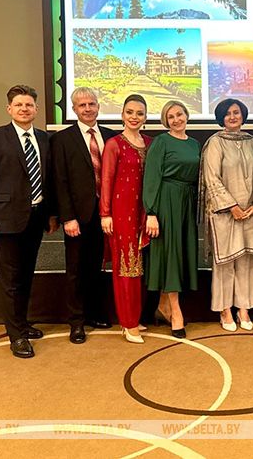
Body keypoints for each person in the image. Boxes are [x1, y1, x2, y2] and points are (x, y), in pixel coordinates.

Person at [0, 85, 58, 358]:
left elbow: (49, 180)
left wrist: (51, 215)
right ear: (9, 108)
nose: (24, 109)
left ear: (36, 109)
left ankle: (22, 323)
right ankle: (17, 336)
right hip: (6, 220)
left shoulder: (44, 139)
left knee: (25, 276)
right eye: (19, 105)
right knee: (10, 279)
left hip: (35, 219)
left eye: (29, 105)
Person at [51, 87, 116, 344]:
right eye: (82, 105)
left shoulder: (111, 136)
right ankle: (76, 322)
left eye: (91, 104)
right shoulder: (62, 139)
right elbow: (60, 180)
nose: (87, 108)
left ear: (98, 106)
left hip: (106, 215)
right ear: (74, 109)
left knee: (97, 268)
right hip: (78, 217)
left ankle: (95, 313)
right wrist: (67, 217)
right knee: (76, 270)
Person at [201, 98, 253, 332]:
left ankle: (244, 308)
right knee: (225, 263)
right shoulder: (215, 143)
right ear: (221, 118)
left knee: (247, 261)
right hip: (224, 214)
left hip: (250, 212)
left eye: (236, 112)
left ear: (243, 115)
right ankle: (225, 309)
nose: (233, 117)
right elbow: (211, 178)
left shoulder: (252, 142)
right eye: (227, 114)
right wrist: (231, 206)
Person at [143, 100, 200, 338]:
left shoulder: (195, 144)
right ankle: (176, 312)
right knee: (171, 256)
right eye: (171, 117)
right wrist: (151, 212)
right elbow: (151, 177)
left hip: (187, 203)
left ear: (186, 115)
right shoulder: (161, 142)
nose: (176, 119)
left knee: (181, 254)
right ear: (165, 121)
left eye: (179, 114)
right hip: (166, 202)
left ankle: (163, 305)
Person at [100, 95, 152, 344]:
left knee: (140, 269)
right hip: (122, 214)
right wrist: (105, 214)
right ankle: (128, 323)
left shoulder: (150, 143)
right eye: (130, 112)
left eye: (139, 113)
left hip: (145, 213)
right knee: (126, 268)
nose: (134, 117)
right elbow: (106, 180)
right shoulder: (114, 144)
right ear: (122, 115)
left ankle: (136, 317)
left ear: (145, 117)